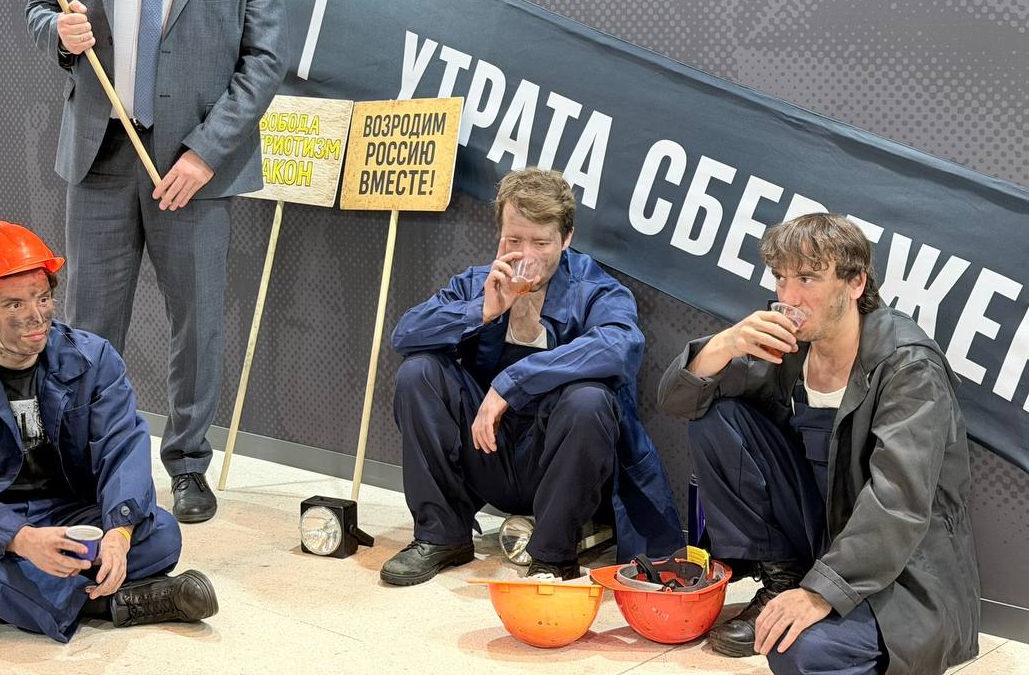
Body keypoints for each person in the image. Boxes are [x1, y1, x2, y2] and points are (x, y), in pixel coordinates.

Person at [25, 0, 286, 523]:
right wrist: (58, 34)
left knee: (196, 326)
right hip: (101, 154)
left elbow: (264, 62)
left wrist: (205, 154)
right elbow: (40, 5)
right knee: (88, 326)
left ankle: (188, 465)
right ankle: (88, 461)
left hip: (190, 171)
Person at [658, 213, 979, 674]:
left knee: (796, 650)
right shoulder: (790, 348)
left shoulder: (909, 368)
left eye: (807, 278)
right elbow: (679, 401)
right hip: (822, 539)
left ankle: (822, 603)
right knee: (715, 417)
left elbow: (898, 502)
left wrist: (821, 592)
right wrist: (723, 345)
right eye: (781, 278)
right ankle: (781, 580)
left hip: (905, 569)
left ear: (855, 283)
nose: (789, 297)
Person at [0, 220, 217, 644]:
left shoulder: (93, 358)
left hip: (70, 511)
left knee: (160, 533)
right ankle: (109, 605)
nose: (36, 317)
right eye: (14, 304)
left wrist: (119, 532)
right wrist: (18, 538)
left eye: (43, 298)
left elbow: (123, 446)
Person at [380, 168, 683, 585]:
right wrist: (481, 312)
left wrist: (511, 383)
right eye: (513, 241)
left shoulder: (596, 290)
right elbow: (405, 334)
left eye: (541, 243)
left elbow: (621, 346)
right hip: (489, 450)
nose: (526, 255)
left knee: (589, 399)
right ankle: (441, 536)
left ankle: (553, 556)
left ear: (566, 238)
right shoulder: (479, 283)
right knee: (419, 373)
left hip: (559, 464)